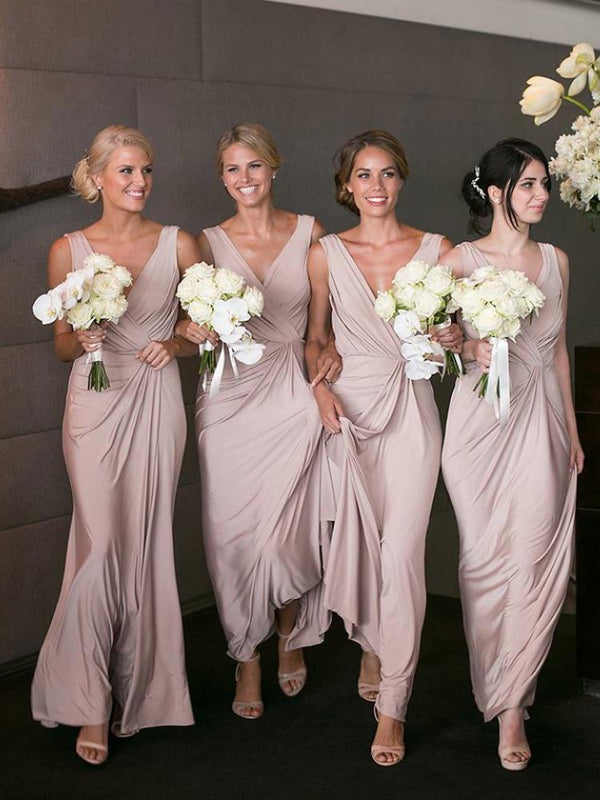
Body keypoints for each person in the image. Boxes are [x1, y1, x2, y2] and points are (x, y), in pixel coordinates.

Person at [31, 125, 198, 765]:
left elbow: (203, 326)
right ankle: (88, 699)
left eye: (146, 170)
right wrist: (84, 336)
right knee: (99, 544)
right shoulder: (67, 250)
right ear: (97, 177)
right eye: (126, 171)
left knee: (147, 541)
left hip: (155, 399)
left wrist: (175, 343)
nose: (139, 182)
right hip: (96, 403)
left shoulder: (179, 243)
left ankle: (144, 690)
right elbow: (61, 345)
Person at [305, 129, 460, 766]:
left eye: (388, 173)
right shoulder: (325, 253)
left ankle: (393, 704)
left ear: (402, 179)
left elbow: (456, 332)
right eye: (364, 175)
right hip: (349, 412)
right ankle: (372, 641)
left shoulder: (437, 250)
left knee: (401, 557)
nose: (377, 186)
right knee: (361, 545)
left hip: (412, 415)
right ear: (347, 186)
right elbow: (315, 339)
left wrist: (451, 335)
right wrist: (319, 390)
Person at [177, 123, 340, 719]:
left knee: (290, 530)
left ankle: (289, 631)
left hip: (292, 391)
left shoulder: (312, 234)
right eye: (232, 169)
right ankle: (245, 653)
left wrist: (326, 370)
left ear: (274, 167)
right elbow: (183, 326)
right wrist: (191, 329)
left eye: (253, 166)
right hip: (227, 398)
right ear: (222, 178)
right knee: (231, 534)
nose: (244, 178)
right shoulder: (205, 243)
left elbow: (323, 329)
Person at [441, 138, 584, 771]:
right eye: (528, 184)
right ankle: (495, 681)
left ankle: (512, 709)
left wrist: (573, 432)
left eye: (545, 183)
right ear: (496, 192)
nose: (541, 195)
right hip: (477, 430)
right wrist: (463, 346)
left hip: (541, 424)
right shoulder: (459, 260)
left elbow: (558, 352)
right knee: (482, 565)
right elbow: (430, 341)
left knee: (529, 559)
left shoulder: (556, 261)